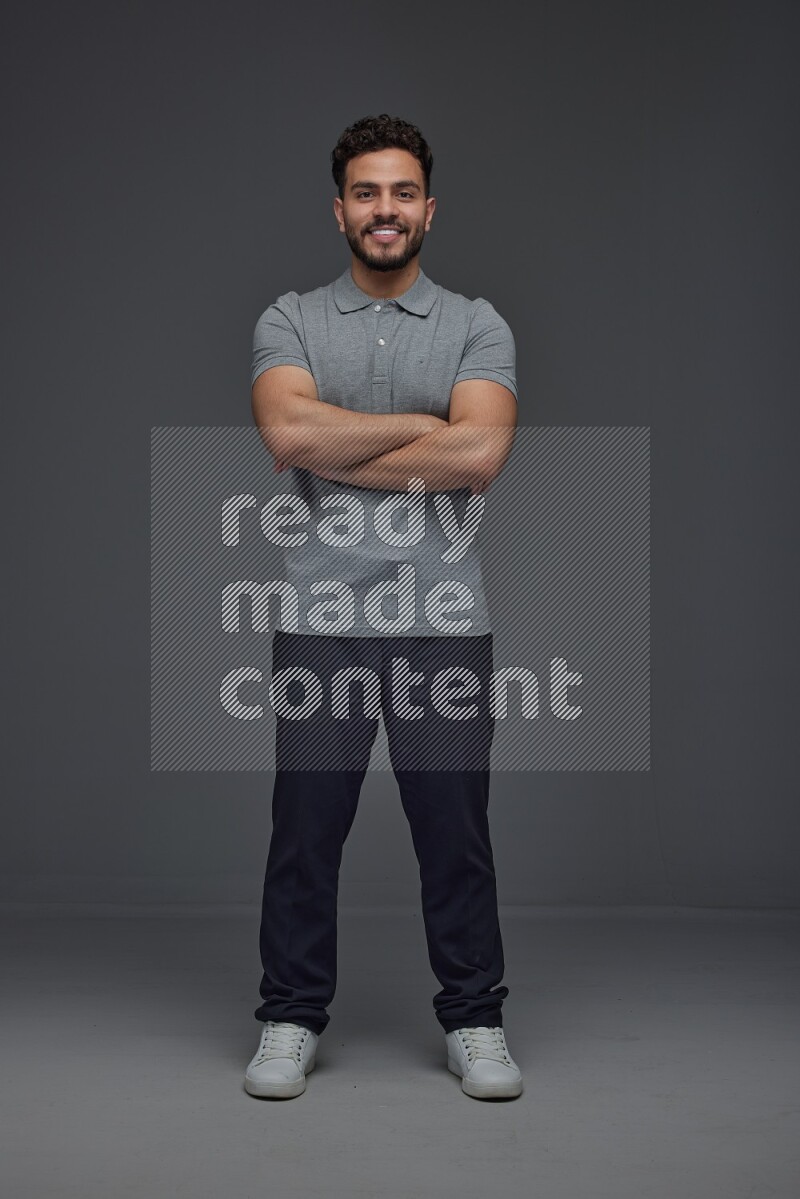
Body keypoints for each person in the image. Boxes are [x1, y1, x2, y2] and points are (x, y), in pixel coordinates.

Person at [244, 113, 522, 1101]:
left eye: (402, 192)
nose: (385, 209)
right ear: (340, 211)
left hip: (442, 621)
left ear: (428, 209)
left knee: (454, 834)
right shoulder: (288, 320)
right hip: (320, 618)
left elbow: (480, 452)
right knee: (304, 832)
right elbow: (286, 433)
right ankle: (288, 1015)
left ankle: (474, 1018)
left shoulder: (476, 325)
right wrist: (419, 424)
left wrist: (341, 437)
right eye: (366, 193)